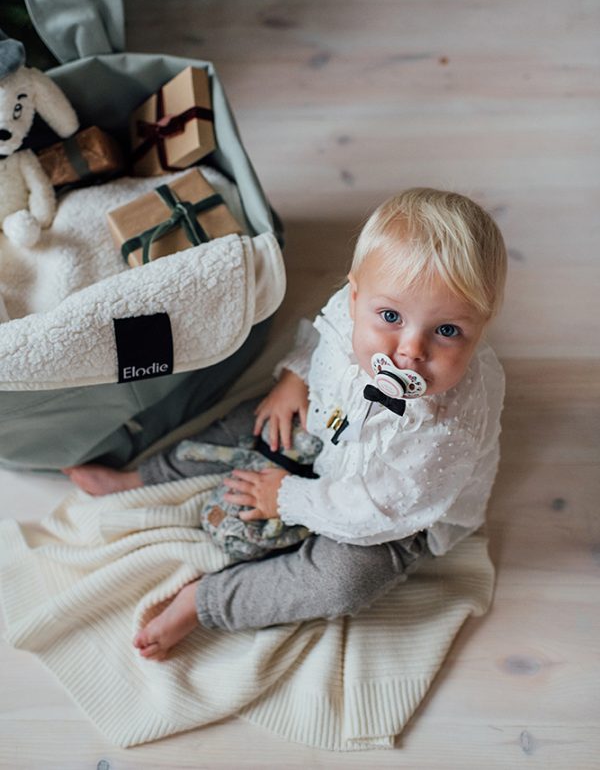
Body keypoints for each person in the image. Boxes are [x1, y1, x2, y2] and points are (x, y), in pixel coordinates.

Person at [63, 187, 507, 661]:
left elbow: (376, 510)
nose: (411, 350)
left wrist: (287, 498)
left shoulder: (444, 432)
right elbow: (325, 337)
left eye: (447, 331)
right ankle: (144, 477)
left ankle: (207, 600)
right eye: (391, 316)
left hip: (394, 516)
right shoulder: (356, 306)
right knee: (255, 417)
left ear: (480, 329)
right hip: (334, 426)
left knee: (345, 583)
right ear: (356, 296)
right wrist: (296, 377)